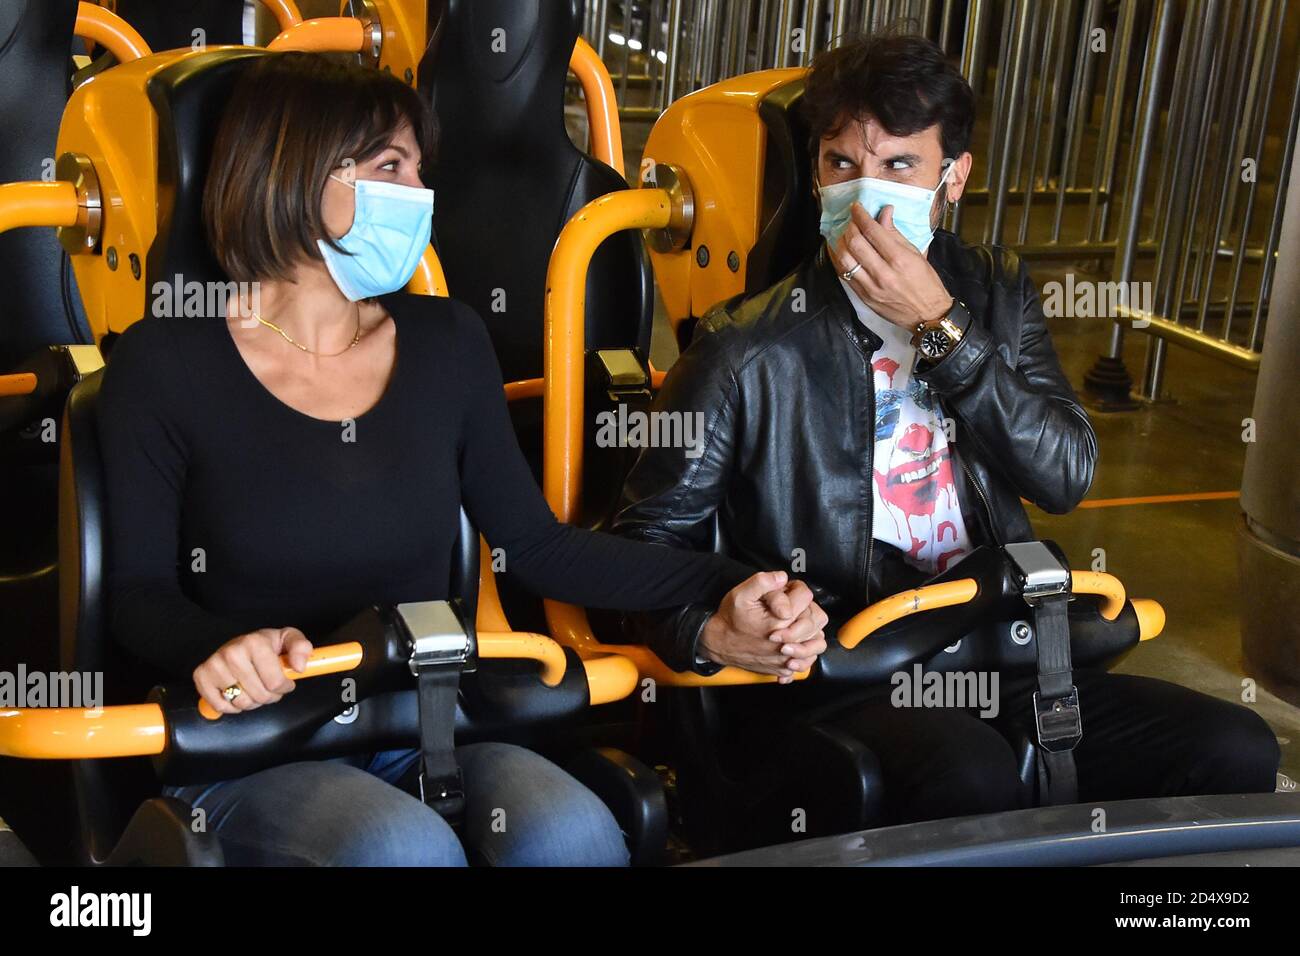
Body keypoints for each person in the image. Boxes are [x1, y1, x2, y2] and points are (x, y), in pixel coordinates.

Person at [97, 52, 827, 866]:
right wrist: (222, 647)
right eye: (389, 168)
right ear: (294, 173)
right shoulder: (165, 364)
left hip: (421, 728)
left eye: (416, 169)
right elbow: (138, 598)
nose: (418, 196)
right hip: (250, 748)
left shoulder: (447, 343)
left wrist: (727, 586)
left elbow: (538, 548)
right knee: (399, 847)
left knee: (574, 830)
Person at [611, 32, 1279, 832]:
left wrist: (942, 330)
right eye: (839, 164)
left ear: (953, 178)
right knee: (971, 775)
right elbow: (645, 545)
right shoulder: (743, 346)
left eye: (898, 167)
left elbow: (1065, 472)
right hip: (853, 672)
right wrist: (710, 627)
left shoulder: (994, 293)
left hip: (1010, 652)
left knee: (1236, 748)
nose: (863, 196)